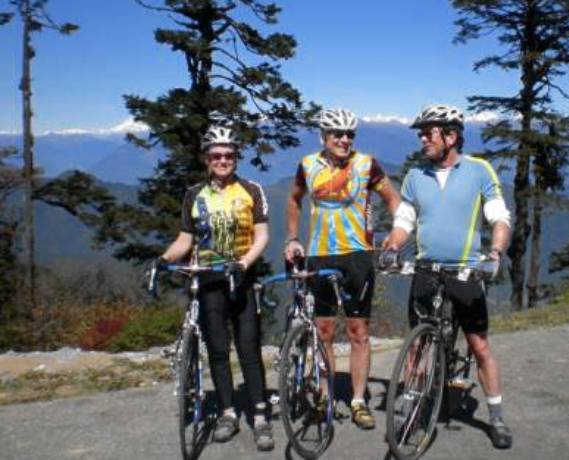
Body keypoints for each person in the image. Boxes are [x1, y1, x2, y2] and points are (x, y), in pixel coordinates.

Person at [383, 104, 513, 449]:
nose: (422, 138)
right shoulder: (415, 175)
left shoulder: (478, 170)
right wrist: (392, 248)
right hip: (427, 270)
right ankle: (412, 400)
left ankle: (496, 417)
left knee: (479, 344)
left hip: (466, 271)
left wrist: (495, 254)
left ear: (451, 136)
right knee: (418, 342)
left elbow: (499, 216)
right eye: (421, 133)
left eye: (429, 132)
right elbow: (404, 222)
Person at [158, 125, 274, 451]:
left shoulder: (252, 190)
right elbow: (186, 239)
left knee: (249, 349)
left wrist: (243, 263)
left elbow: (262, 236)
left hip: (242, 278)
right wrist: (162, 258)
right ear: (206, 159)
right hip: (208, 281)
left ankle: (261, 416)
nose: (223, 160)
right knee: (218, 351)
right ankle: (227, 412)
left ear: (236, 158)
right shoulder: (194, 194)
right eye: (216, 155)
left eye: (229, 155)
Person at [284, 108, 400, 430]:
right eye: (338, 134)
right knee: (322, 331)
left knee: (358, 332)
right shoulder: (308, 165)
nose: (344, 139)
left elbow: (393, 198)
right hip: (320, 255)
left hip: (358, 256)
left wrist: (395, 233)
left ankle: (359, 401)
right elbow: (294, 200)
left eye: (350, 134)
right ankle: (324, 396)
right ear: (323, 136)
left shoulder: (366, 164)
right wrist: (292, 237)